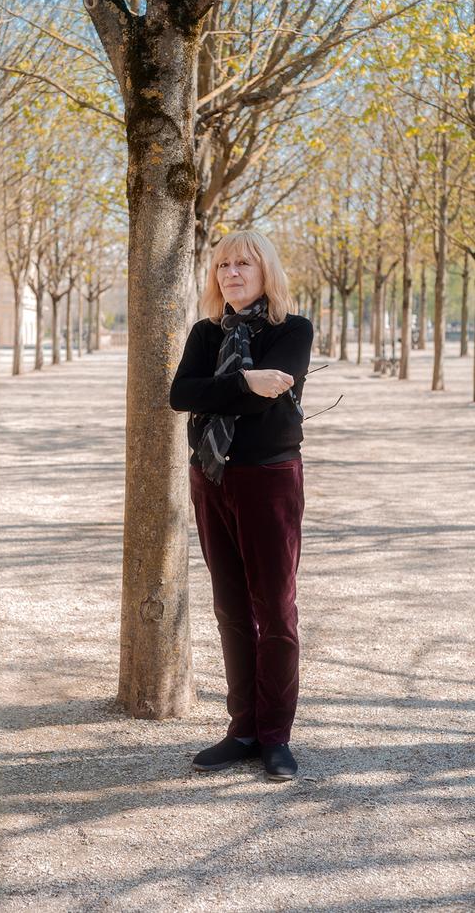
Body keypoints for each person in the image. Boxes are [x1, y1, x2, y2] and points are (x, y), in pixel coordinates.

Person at [169, 230, 313, 781]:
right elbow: (181, 395)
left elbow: (271, 395)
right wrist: (246, 381)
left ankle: (276, 735)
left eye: (243, 263)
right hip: (210, 476)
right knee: (230, 606)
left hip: (269, 479)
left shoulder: (292, 329)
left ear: (264, 271)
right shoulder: (206, 332)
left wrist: (232, 387)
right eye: (222, 264)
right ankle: (243, 728)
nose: (231, 272)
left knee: (275, 608)